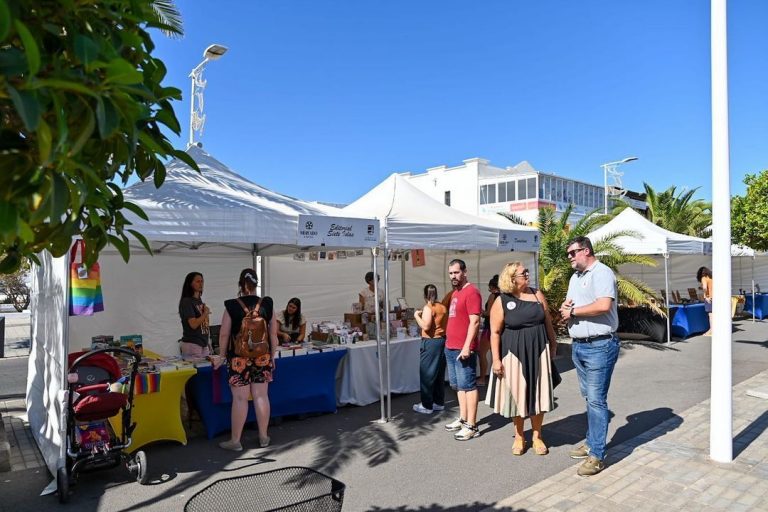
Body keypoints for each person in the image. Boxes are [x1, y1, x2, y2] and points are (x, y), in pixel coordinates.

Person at [559, 236, 620, 476]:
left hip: (600, 345)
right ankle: (592, 441)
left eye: (573, 253)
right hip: (580, 345)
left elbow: (604, 305)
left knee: (596, 399)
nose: (570, 258)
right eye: (568, 254)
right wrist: (566, 307)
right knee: (589, 398)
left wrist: (573, 311)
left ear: (586, 250)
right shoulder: (576, 277)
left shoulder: (601, 272)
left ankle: (597, 454)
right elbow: (570, 302)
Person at [485, 263, 558, 456]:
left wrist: (553, 344)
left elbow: (548, 321)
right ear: (511, 278)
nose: (527, 275)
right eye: (522, 273)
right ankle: (519, 436)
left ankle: (537, 436)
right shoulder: (502, 300)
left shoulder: (537, 294)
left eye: (527, 271)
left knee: (539, 393)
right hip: (513, 353)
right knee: (517, 395)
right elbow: (494, 332)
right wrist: (496, 359)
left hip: (539, 349)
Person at [216, 269, 278, 451]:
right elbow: (273, 334)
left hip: (238, 359)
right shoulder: (267, 303)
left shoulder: (231, 305)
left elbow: (224, 334)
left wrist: (221, 356)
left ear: (240, 284)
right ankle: (264, 436)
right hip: (262, 357)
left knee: (240, 399)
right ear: (256, 283)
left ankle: (235, 441)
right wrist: (272, 357)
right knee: (261, 395)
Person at [443, 259, 483, 441]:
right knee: (459, 386)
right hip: (451, 347)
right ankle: (463, 418)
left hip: (463, 348)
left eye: (456, 272)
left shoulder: (472, 292)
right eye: (451, 273)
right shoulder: (455, 293)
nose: (453, 276)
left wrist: (467, 346)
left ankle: (471, 425)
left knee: (468, 386)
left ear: (465, 272)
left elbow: (475, 321)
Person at [412, 284, 448, 414]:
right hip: (441, 340)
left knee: (427, 373)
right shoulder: (442, 307)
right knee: (438, 373)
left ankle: (427, 405)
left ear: (424, 295)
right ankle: (438, 402)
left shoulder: (428, 308)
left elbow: (426, 326)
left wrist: (416, 316)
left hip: (431, 341)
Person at [178, 272, 211, 358]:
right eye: (197, 281)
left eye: (202, 281)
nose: (201, 284)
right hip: (193, 344)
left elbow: (203, 325)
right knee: (198, 370)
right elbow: (193, 324)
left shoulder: (199, 301)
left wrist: (207, 342)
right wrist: (205, 313)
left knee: (206, 370)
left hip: (203, 344)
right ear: (190, 283)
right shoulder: (187, 302)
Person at [477, 275, 500, 387]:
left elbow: (489, 313)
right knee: (497, 354)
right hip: (499, 329)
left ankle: (482, 378)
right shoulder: (504, 296)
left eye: (489, 287)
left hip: (489, 329)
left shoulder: (493, 296)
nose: (489, 290)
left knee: (481, 353)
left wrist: (481, 312)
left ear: (493, 286)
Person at [697, 266, 713, 336]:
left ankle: (712, 330)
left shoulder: (703, 278)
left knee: (711, 315)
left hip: (710, 298)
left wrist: (706, 296)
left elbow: (705, 288)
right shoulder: (711, 277)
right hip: (716, 297)